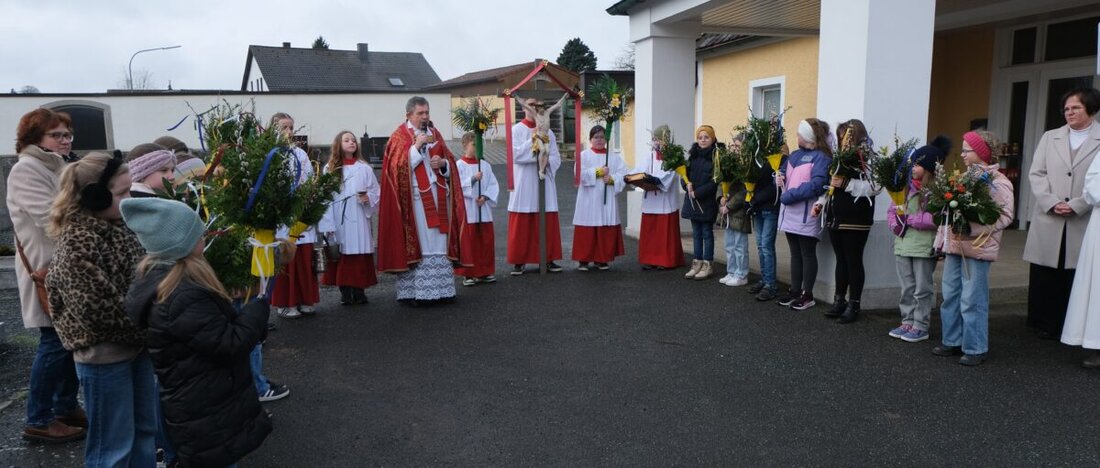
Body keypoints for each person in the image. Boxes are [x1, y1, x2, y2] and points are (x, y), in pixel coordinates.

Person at [122, 197, 273, 467]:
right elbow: (229, 343)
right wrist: (257, 308)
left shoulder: (166, 282)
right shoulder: (182, 295)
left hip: (199, 400)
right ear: (182, 244)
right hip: (205, 408)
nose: (204, 238)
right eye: (198, 235)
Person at [44, 152, 154, 467]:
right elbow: (96, 310)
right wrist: (152, 324)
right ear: (94, 197)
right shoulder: (77, 243)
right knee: (113, 446)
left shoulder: (121, 227)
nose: (129, 199)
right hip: (105, 357)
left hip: (138, 346)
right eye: (121, 193)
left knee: (145, 431)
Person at [9, 108, 86, 443]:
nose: (65, 140)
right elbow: (49, 218)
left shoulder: (60, 166)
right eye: (56, 135)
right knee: (54, 340)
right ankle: (38, 418)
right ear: (35, 139)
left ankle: (65, 407)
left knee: (69, 340)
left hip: (64, 264)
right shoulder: (27, 169)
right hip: (47, 268)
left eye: (67, 134)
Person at [932, 130, 1014, 367]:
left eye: (968, 149)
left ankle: (975, 346)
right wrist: (942, 239)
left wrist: (974, 226)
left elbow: (1005, 215)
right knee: (951, 294)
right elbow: (949, 210)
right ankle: (952, 339)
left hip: (978, 247)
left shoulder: (998, 181)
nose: (964, 154)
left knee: (972, 298)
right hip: (956, 244)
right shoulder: (962, 178)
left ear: (981, 153)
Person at [377, 96, 470, 305]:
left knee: (438, 242)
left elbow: (451, 166)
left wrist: (443, 163)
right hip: (415, 202)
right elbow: (395, 170)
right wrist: (416, 148)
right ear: (409, 114)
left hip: (438, 198)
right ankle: (416, 293)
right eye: (420, 113)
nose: (425, 117)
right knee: (422, 244)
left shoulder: (435, 133)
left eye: (427, 112)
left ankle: (443, 290)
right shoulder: (399, 136)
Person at [1024, 88, 1100, 340]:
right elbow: (1037, 173)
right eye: (1066, 109)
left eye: (1075, 108)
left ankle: (1072, 328)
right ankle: (1043, 324)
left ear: (1090, 108)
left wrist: (1079, 204)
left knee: (1075, 273)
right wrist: (1051, 202)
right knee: (1046, 272)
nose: (1069, 113)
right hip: (1050, 215)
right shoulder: (1050, 137)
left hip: (1083, 217)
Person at [886, 137, 951, 343]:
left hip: (923, 247)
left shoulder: (934, 192)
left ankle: (920, 325)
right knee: (907, 287)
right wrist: (895, 223)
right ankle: (907, 319)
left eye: (918, 164)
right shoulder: (904, 189)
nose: (913, 168)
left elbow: (936, 218)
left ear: (930, 168)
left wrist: (910, 219)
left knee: (922, 288)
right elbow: (892, 210)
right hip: (903, 245)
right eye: (912, 163)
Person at [819, 119, 879, 323]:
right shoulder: (839, 158)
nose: (843, 140)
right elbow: (832, 185)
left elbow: (875, 187)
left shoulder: (868, 158)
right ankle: (839, 300)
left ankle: (854, 303)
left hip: (856, 217)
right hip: (836, 215)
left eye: (846, 136)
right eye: (841, 136)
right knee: (841, 260)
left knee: (853, 260)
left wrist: (847, 183)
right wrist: (822, 201)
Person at [269, 113, 321, 319]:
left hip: (299, 212)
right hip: (281, 215)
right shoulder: (269, 153)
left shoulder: (300, 153)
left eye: (291, 128)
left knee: (303, 258)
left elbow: (309, 179)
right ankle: (285, 302)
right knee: (285, 258)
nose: (289, 132)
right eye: (284, 128)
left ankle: (305, 299)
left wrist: (307, 198)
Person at [319, 130, 380, 304]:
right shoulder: (330, 169)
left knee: (358, 251)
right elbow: (326, 197)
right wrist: (328, 224)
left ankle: (359, 291)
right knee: (342, 252)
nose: (352, 143)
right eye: (347, 140)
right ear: (338, 144)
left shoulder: (364, 167)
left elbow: (375, 190)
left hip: (359, 214)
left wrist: (368, 197)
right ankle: (345, 292)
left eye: (353, 140)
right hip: (340, 217)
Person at [777, 119, 832, 310]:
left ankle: (807, 294)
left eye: (800, 134)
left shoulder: (821, 158)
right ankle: (794, 290)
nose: (797, 137)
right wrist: (779, 177)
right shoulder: (795, 155)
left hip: (807, 214)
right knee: (795, 254)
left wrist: (790, 196)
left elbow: (817, 185)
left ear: (808, 137)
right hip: (790, 212)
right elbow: (784, 172)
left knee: (807, 253)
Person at [507, 98, 565, 275]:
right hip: (524, 182)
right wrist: (533, 139)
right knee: (523, 220)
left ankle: (548, 258)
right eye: (531, 105)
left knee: (546, 218)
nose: (535, 108)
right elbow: (515, 155)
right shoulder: (516, 130)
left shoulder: (549, 131)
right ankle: (520, 260)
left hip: (543, 179)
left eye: (538, 105)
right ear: (524, 108)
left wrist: (547, 162)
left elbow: (556, 157)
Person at [573, 125, 628, 271]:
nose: (599, 140)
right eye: (596, 137)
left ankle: (602, 259)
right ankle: (583, 260)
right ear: (590, 139)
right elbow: (579, 174)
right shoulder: (584, 155)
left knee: (604, 225)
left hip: (606, 197)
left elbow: (624, 175)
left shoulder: (614, 157)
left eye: (602, 137)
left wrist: (612, 179)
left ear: (606, 139)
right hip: (588, 198)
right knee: (588, 226)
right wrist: (597, 172)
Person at [632, 125, 685, 271]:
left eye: (660, 139)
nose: (657, 142)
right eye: (655, 139)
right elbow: (639, 170)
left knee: (664, 232)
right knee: (651, 232)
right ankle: (650, 259)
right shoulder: (650, 156)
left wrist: (655, 181)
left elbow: (668, 176)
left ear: (667, 140)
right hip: (651, 200)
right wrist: (630, 177)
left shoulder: (673, 157)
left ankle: (666, 260)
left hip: (665, 200)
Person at [454, 132, 499, 285]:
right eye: (474, 145)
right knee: (470, 242)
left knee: (484, 242)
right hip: (469, 210)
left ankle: (485, 271)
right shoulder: (459, 165)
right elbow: (457, 187)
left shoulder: (485, 165)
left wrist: (485, 197)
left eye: (480, 145)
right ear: (465, 145)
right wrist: (472, 179)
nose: (477, 148)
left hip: (483, 209)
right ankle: (469, 274)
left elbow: (493, 185)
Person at [747, 142, 788, 301]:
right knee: (760, 244)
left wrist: (755, 198)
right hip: (758, 207)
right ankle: (764, 279)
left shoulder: (780, 159)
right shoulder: (758, 158)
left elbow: (774, 188)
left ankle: (771, 285)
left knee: (766, 245)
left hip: (770, 207)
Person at [682, 125, 720, 280]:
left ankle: (707, 264)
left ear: (712, 139)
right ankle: (696, 263)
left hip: (706, 203)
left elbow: (714, 182)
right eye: (700, 137)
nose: (703, 140)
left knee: (706, 233)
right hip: (692, 202)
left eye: (706, 137)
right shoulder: (693, 156)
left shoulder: (716, 157)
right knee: (696, 234)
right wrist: (686, 185)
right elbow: (683, 176)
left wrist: (697, 193)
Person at [719, 134, 751, 287]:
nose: (735, 148)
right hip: (728, 210)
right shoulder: (730, 163)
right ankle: (731, 271)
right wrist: (721, 198)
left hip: (738, 211)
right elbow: (721, 181)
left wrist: (729, 205)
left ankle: (741, 274)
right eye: (734, 145)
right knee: (729, 244)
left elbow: (746, 190)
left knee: (740, 245)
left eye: (738, 146)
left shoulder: (747, 164)